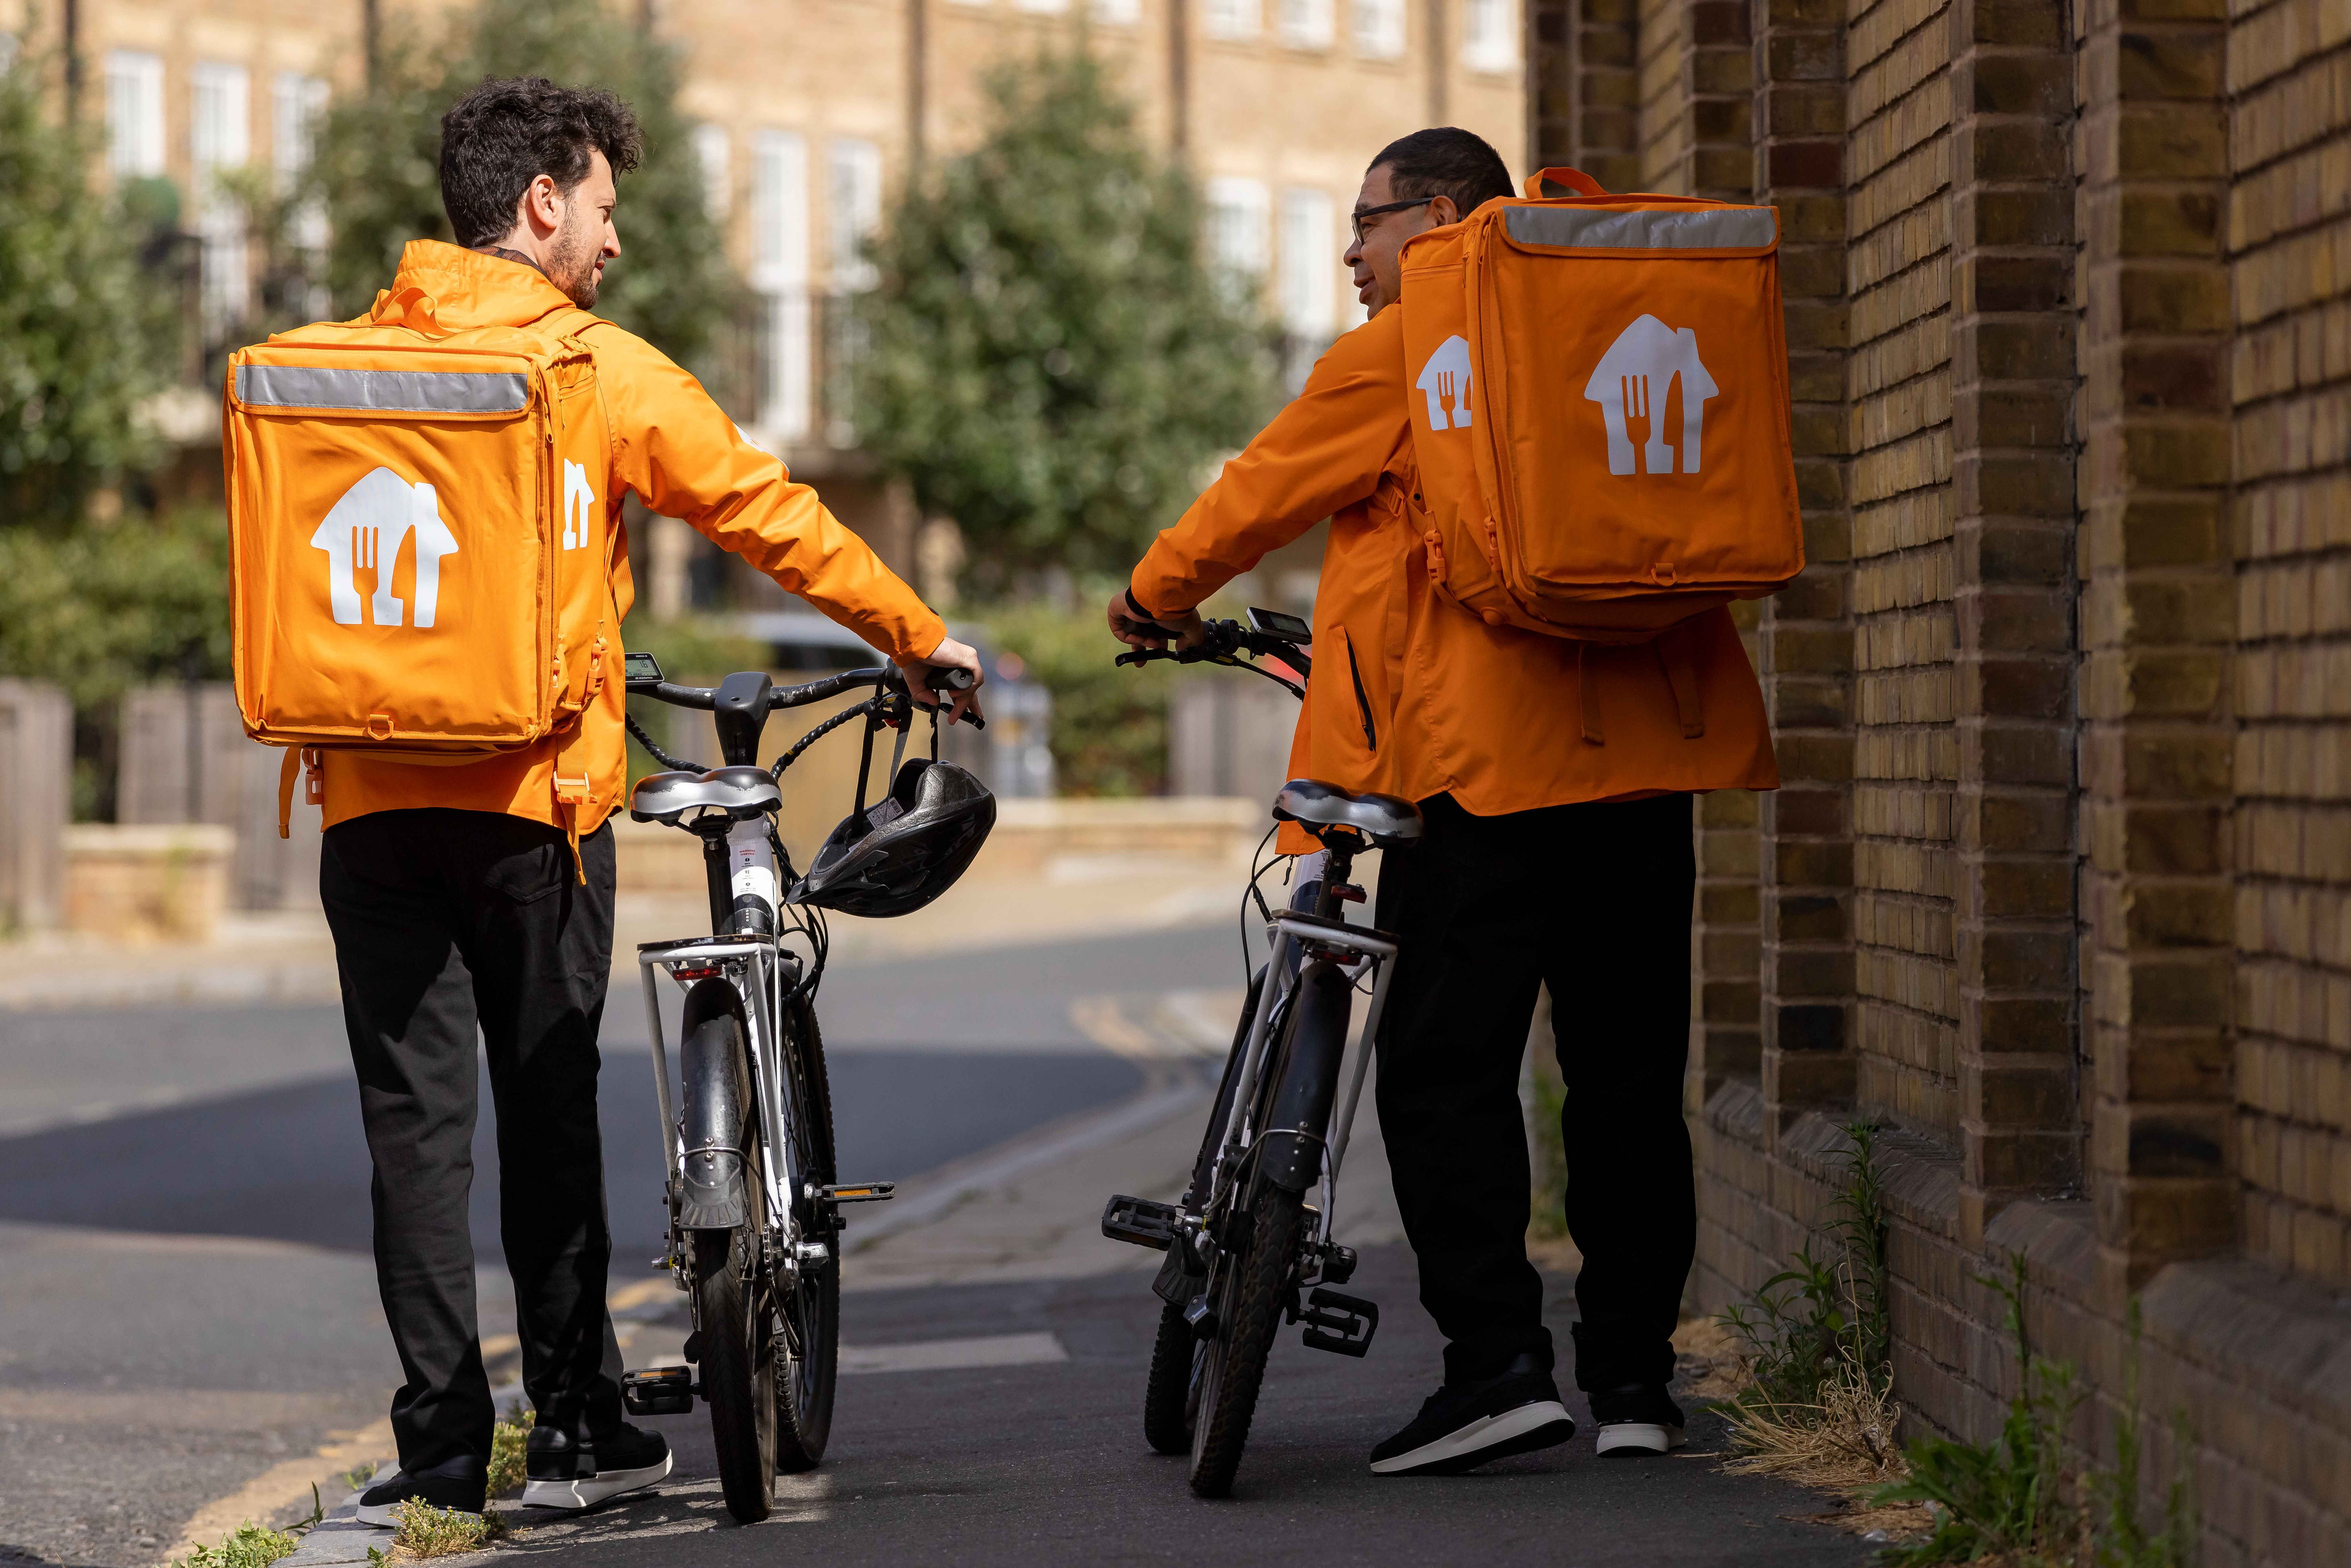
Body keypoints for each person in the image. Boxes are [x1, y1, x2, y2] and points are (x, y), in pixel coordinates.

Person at [319, 77, 983, 1524]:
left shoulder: (347, 365)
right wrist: (916, 633)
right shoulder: (592, 368)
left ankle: (439, 1454)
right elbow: (763, 508)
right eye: (604, 210)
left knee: (411, 1139)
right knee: (547, 1109)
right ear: (541, 204)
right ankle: (572, 1435)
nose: (614, 245)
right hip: (531, 798)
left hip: (366, 797)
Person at [1107, 127, 1777, 1475]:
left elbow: (1254, 496)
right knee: (1628, 1084)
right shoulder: (1602, 323)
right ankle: (1637, 1384)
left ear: (1440, 216)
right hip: (1649, 762)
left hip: (1481, 775)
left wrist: (1149, 595)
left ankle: (1493, 1369)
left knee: (1441, 1074)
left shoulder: (1414, 340)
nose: (1349, 253)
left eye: (1365, 221)